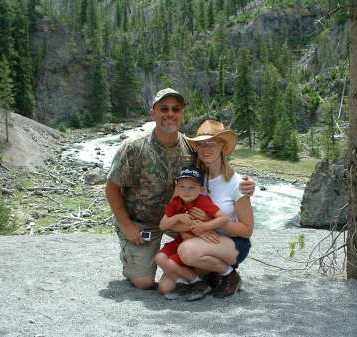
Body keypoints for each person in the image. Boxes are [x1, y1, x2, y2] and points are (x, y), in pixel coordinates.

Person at [105, 88, 255, 290]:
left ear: (182, 113)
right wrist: (126, 225)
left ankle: (217, 272)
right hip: (143, 223)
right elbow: (112, 188)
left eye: (176, 109)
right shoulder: (133, 147)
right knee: (144, 283)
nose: (170, 114)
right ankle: (197, 269)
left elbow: (215, 167)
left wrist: (246, 184)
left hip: (181, 220)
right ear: (153, 113)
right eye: (164, 108)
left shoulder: (190, 148)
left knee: (174, 275)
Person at [176, 120, 254, 298]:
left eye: (212, 143)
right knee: (168, 283)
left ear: (222, 146)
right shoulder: (195, 180)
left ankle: (230, 274)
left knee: (187, 252)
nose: (206, 148)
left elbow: (247, 230)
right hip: (205, 241)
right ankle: (212, 274)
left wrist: (210, 221)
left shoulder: (237, 183)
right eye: (201, 144)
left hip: (234, 244)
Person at [155, 166, 229, 299]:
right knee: (160, 258)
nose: (186, 191)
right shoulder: (176, 202)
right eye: (181, 186)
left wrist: (204, 226)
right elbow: (162, 226)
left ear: (202, 189)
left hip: (198, 246)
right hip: (182, 241)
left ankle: (199, 283)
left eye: (192, 187)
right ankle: (183, 283)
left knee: (172, 263)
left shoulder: (202, 201)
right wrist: (177, 218)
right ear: (176, 188)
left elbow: (223, 218)